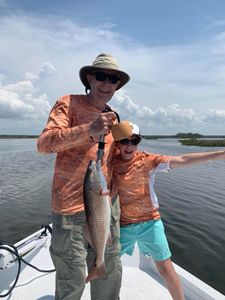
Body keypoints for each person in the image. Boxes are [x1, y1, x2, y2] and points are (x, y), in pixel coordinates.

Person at [37, 53, 130, 300]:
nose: (106, 84)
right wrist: (89, 130)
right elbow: (44, 144)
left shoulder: (115, 116)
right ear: (90, 78)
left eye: (113, 80)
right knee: (72, 276)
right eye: (101, 76)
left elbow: (122, 156)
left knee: (109, 270)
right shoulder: (67, 103)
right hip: (70, 208)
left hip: (105, 204)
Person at [111, 121, 225, 300]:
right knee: (106, 267)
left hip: (150, 223)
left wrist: (222, 153)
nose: (129, 146)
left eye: (135, 141)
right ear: (116, 142)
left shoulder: (148, 160)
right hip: (123, 226)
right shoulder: (109, 163)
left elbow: (182, 160)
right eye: (124, 141)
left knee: (166, 269)